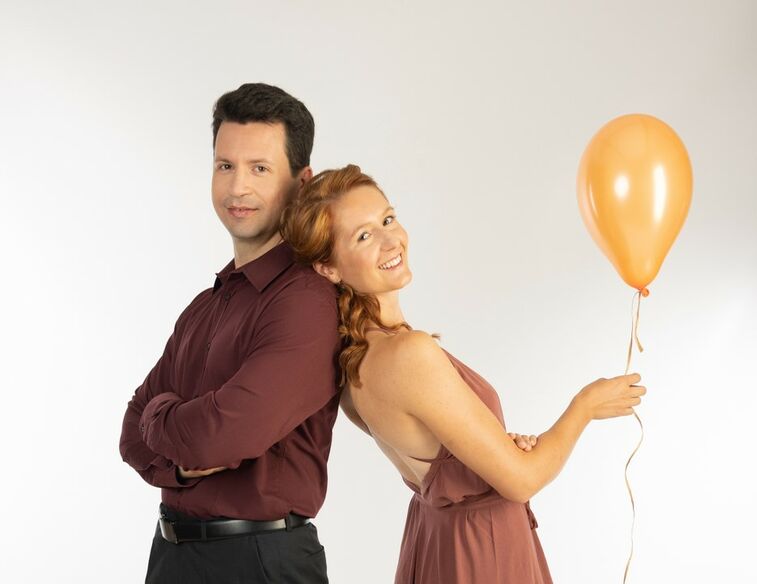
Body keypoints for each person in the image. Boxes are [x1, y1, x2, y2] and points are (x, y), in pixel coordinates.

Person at [281, 164, 647, 584]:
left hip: (437, 541)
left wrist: (495, 450)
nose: (390, 240)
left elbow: (443, 460)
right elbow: (522, 481)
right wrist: (584, 407)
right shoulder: (408, 354)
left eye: (388, 219)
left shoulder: (354, 362)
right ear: (328, 268)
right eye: (363, 236)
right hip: (482, 547)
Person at [119, 83, 340, 584]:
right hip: (171, 554)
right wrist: (177, 463)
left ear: (301, 182)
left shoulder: (304, 301)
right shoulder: (207, 303)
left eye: (259, 168)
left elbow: (223, 436)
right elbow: (130, 434)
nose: (237, 188)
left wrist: (160, 414)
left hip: (259, 561)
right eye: (225, 166)